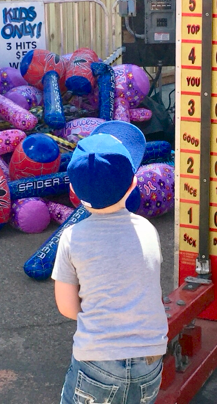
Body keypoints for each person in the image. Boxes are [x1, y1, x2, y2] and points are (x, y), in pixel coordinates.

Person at [52, 121, 168, 404]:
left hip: (97, 360)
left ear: (76, 195)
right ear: (132, 185)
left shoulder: (72, 238)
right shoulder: (146, 229)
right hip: (150, 358)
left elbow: (67, 308)